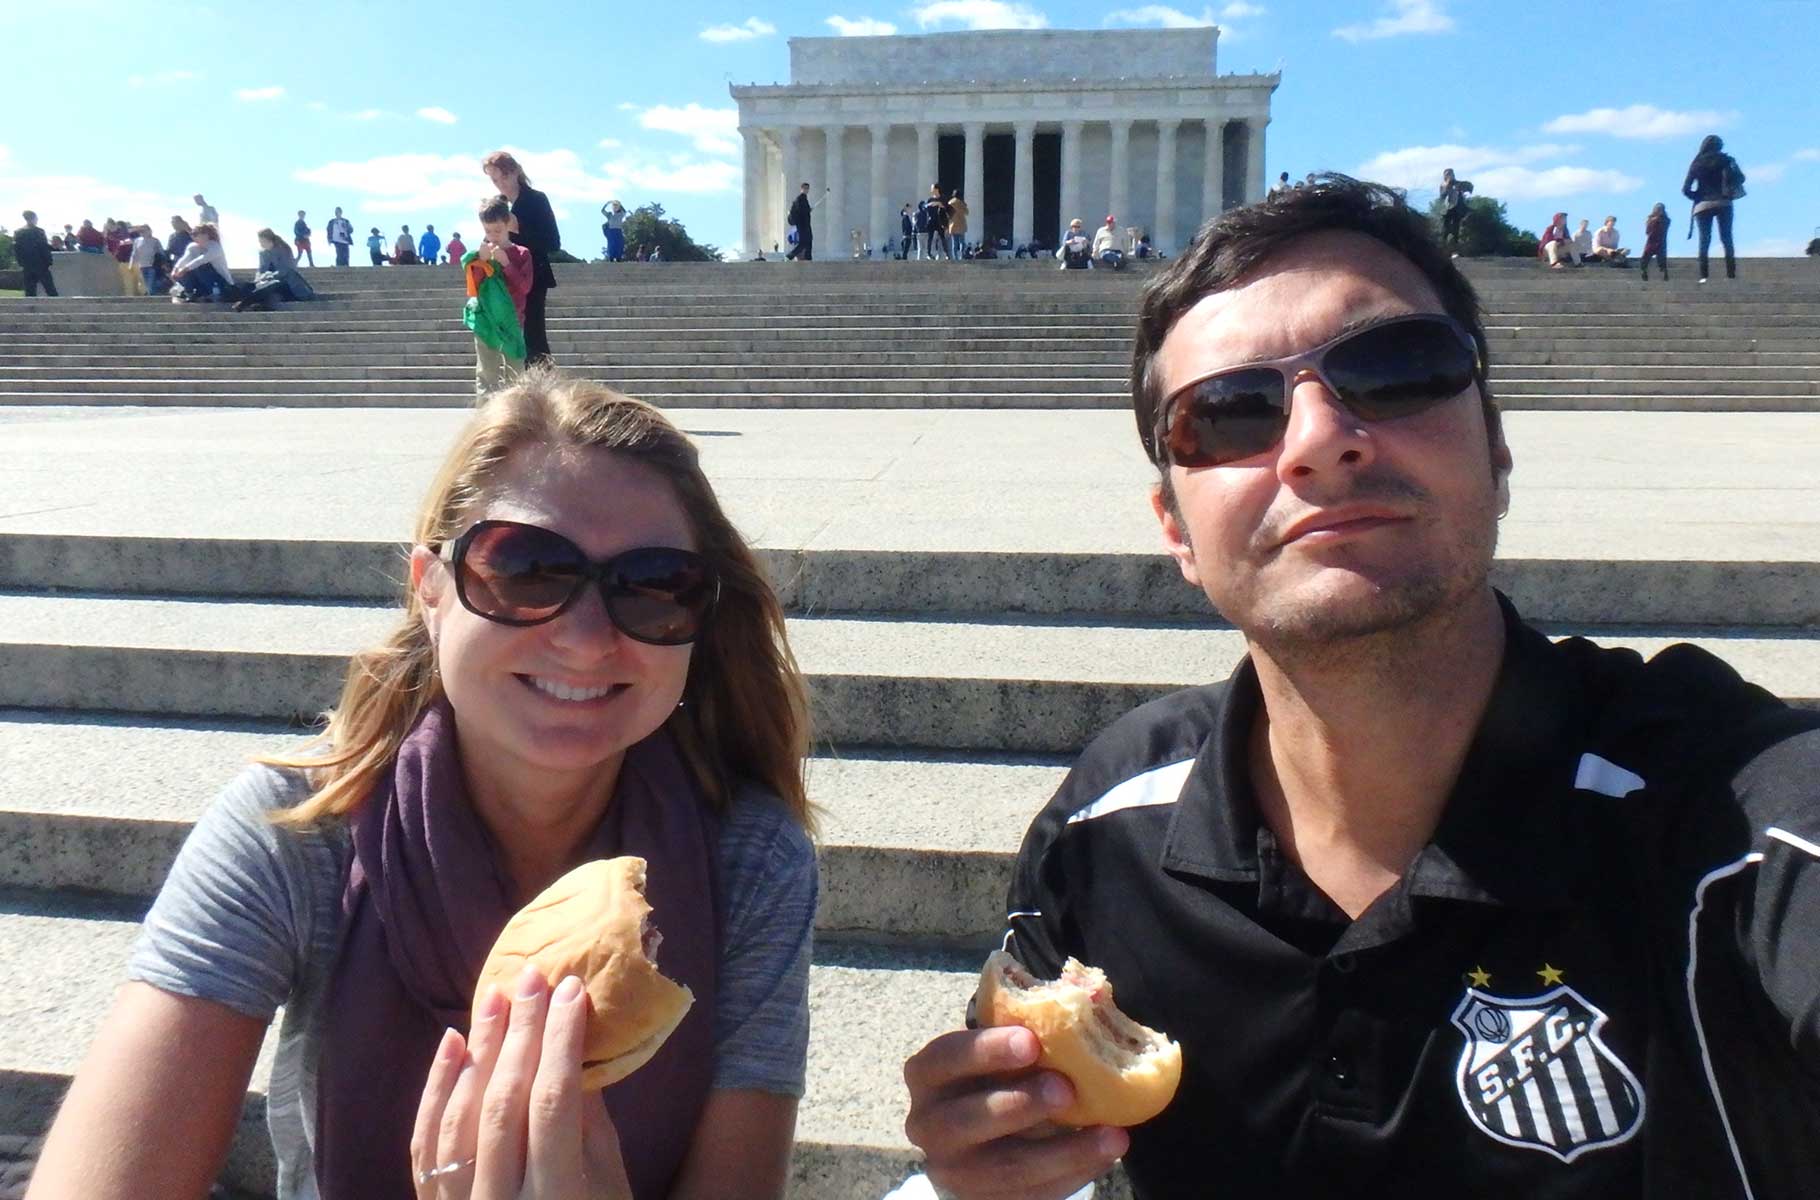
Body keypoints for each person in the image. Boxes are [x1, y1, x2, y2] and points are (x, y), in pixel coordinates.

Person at [902, 173, 1820, 1199]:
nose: (1315, 441)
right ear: (1175, 531)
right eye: (1229, 412)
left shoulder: (1732, 821)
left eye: (1394, 371)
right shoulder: (1105, 829)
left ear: (1495, 447)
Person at [27, 369, 817, 1200]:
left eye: (656, 586)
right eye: (525, 569)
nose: (586, 641)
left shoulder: (750, 860)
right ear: (430, 591)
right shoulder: (296, 832)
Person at [483, 150, 561, 366]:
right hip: (503, 280)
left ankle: (544, 391)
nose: (500, 184)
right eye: (494, 179)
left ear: (515, 171)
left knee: (534, 339)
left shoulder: (536, 200)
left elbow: (553, 242)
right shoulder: (498, 205)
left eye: (504, 177)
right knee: (506, 337)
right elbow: (489, 238)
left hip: (533, 277)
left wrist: (519, 229)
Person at [463, 195, 533, 400]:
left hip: (512, 321)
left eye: (498, 230)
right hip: (485, 320)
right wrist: (480, 263)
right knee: (486, 374)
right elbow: (473, 288)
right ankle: (486, 421)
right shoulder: (480, 254)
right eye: (487, 231)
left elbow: (525, 287)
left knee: (516, 374)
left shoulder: (521, 253)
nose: (493, 236)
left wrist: (506, 264)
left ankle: (515, 421)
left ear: (508, 224)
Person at [1683, 134, 1744, 283]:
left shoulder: (1696, 163)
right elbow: (1741, 178)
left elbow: (1685, 189)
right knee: (1727, 238)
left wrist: (1697, 196)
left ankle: (1703, 276)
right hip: (1724, 202)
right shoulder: (1726, 160)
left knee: (1704, 240)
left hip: (1702, 205)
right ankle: (1731, 275)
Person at [233, 228, 318, 311]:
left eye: (261, 241)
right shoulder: (263, 253)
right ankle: (257, 304)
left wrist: (269, 276)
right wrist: (259, 279)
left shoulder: (284, 249)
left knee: (273, 284)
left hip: (290, 286)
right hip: (273, 287)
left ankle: (245, 303)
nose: (260, 244)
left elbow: (287, 270)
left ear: (268, 240)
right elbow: (261, 270)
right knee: (249, 286)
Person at [168, 222, 233, 302]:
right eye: (191, 234)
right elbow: (185, 258)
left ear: (206, 235)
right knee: (187, 269)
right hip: (202, 281)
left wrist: (184, 269)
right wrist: (175, 269)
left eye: (195, 234)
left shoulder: (215, 247)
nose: (192, 236)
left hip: (221, 282)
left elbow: (201, 260)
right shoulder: (192, 246)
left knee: (200, 267)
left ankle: (215, 294)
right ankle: (189, 293)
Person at [14, 211, 56, 297]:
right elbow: (43, 247)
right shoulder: (39, 231)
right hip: (41, 264)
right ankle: (59, 309)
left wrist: (21, 263)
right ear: (33, 218)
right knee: (51, 290)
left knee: (30, 292)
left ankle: (29, 310)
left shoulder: (18, 232)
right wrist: (49, 261)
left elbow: (17, 249)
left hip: (27, 265)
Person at [1438, 168, 1472, 256]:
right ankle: (1443, 250)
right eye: (1447, 174)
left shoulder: (1458, 183)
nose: (1449, 175)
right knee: (1445, 230)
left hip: (1457, 209)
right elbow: (1442, 196)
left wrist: (1464, 189)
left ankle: (1455, 251)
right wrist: (1447, 187)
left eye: (1450, 173)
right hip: (1447, 209)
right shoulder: (1443, 185)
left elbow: (1468, 188)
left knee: (1456, 230)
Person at [128, 224, 164, 295]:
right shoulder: (137, 241)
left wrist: (163, 263)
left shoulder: (155, 241)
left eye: (144, 231)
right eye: (141, 231)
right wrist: (131, 264)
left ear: (149, 231)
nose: (142, 233)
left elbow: (161, 253)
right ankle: (152, 297)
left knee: (151, 284)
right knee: (146, 285)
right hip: (142, 266)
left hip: (152, 266)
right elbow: (134, 253)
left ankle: (153, 298)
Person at [1640, 203, 1671, 282]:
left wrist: (1656, 220)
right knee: (1646, 258)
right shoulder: (1651, 219)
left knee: (1661, 259)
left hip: (1660, 241)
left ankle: (1664, 274)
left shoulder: (1665, 220)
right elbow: (1647, 231)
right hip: (1652, 241)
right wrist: (1653, 221)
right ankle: (1644, 272)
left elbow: (1664, 227)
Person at [786, 182, 815, 261]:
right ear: (801, 189)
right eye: (805, 188)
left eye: (807, 189)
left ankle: (808, 258)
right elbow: (800, 211)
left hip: (806, 224)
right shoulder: (800, 198)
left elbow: (804, 211)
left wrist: (808, 210)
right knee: (803, 243)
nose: (806, 190)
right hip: (802, 225)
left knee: (808, 241)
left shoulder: (804, 198)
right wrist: (808, 210)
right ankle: (789, 256)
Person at [921, 185, 950, 261]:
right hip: (931, 221)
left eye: (932, 188)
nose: (931, 190)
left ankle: (947, 254)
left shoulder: (943, 198)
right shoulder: (930, 199)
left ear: (936, 189)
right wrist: (928, 205)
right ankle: (929, 254)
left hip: (940, 220)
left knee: (942, 237)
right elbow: (924, 207)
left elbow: (947, 208)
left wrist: (939, 204)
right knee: (930, 238)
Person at [947, 191, 970, 258]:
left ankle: (955, 257)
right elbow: (967, 212)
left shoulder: (950, 203)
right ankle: (961, 256)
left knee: (954, 242)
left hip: (953, 225)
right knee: (962, 242)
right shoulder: (961, 203)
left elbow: (947, 214)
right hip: (961, 224)